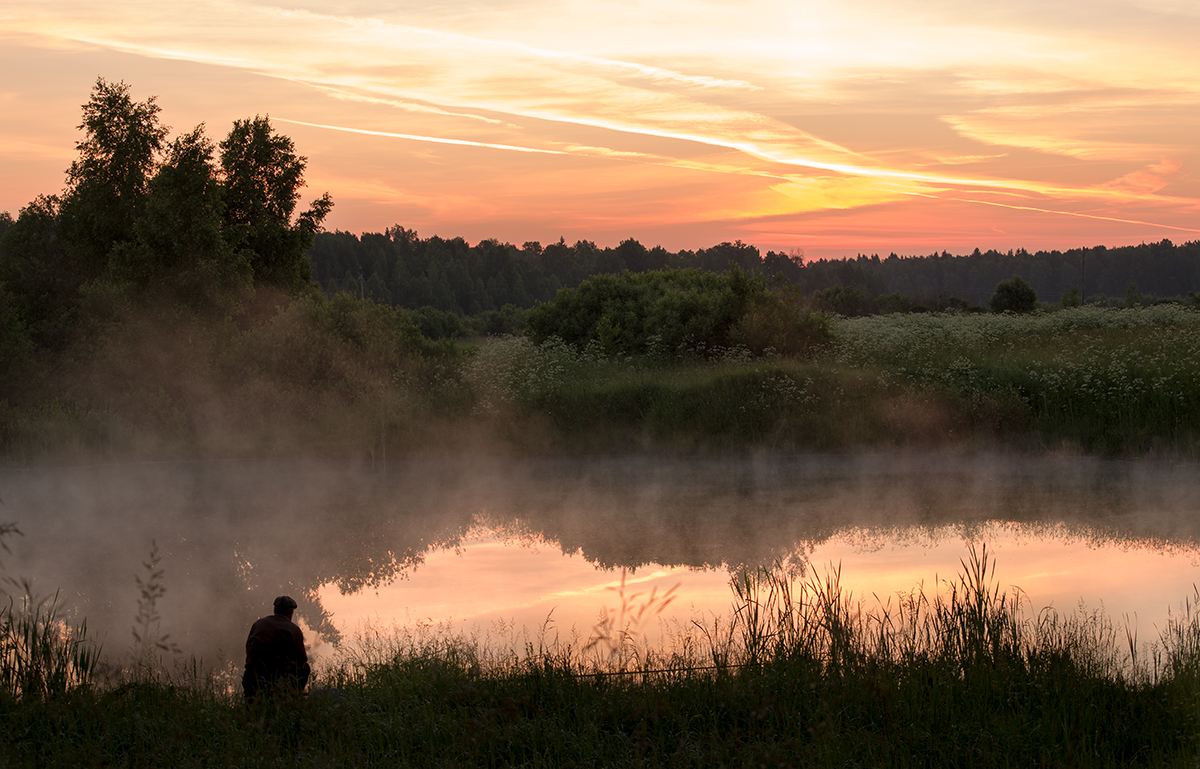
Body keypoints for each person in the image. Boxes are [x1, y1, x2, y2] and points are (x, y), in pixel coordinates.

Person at [242, 595, 311, 702]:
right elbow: (301, 658)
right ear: (291, 613)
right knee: (305, 668)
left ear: (275, 610)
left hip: (252, 676)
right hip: (278, 677)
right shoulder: (293, 629)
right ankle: (295, 698)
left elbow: (248, 648)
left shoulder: (258, 624)